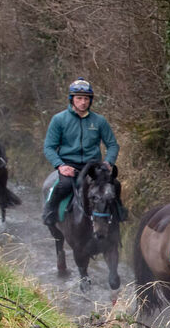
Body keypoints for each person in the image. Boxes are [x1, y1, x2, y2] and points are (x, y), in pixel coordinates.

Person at [42, 78, 121, 226]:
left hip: (93, 168)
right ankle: (50, 212)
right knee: (62, 186)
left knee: (114, 185)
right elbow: (49, 147)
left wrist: (108, 162)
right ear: (72, 100)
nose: (83, 102)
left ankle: (119, 215)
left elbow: (112, 145)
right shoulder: (59, 120)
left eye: (86, 99)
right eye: (79, 98)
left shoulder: (99, 121)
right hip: (70, 166)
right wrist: (60, 165)